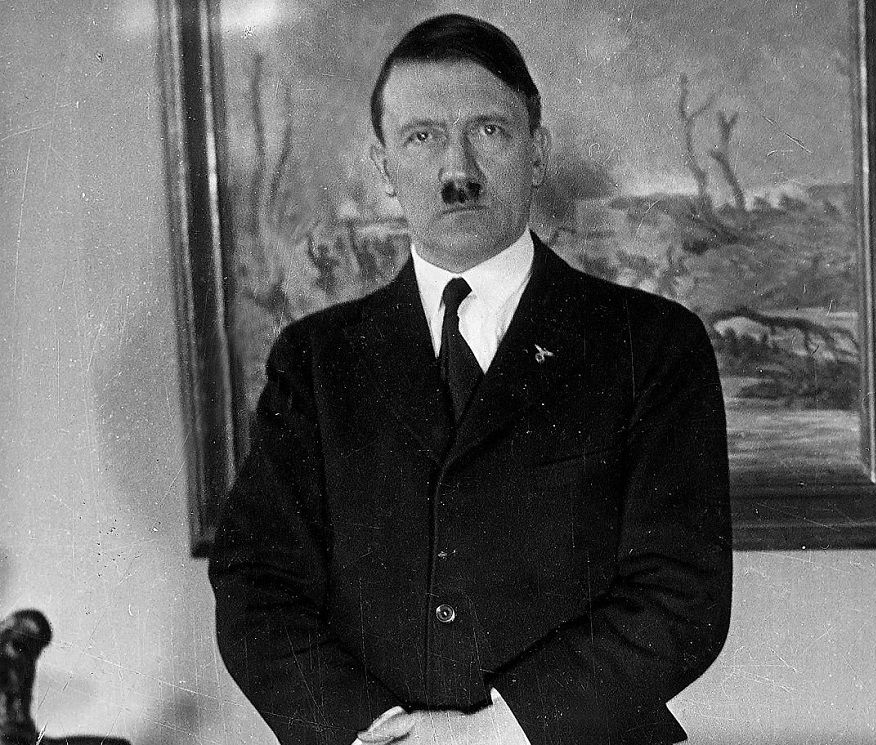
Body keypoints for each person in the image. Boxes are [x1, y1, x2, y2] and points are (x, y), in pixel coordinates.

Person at [207, 13, 731, 745]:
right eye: (422, 137)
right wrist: (380, 734)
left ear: (537, 153)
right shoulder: (315, 361)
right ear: (384, 168)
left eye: (489, 130)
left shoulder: (652, 344)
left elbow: (681, 595)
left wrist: (492, 734)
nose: (459, 172)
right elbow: (257, 586)